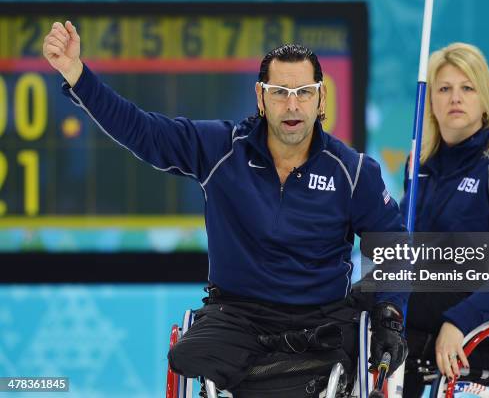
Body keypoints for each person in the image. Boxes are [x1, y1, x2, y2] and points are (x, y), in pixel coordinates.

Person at [43, 21, 407, 396]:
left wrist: (390, 314)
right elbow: (142, 130)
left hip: (321, 320)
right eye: (280, 92)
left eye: (304, 92)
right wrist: (76, 74)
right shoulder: (221, 149)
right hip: (238, 316)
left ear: (321, 98)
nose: (292, 104)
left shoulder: (354, 170)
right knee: (187, 357)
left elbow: (394, 246)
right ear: (260, 97)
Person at [400, 42, 489, 397]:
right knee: (349, 302)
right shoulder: (419, 169)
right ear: (430, 101)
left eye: (467, 88)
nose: (455, 98)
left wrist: (460, 319)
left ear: (485, 98)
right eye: (444, 89)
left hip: (473, 312)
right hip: (417, 306)